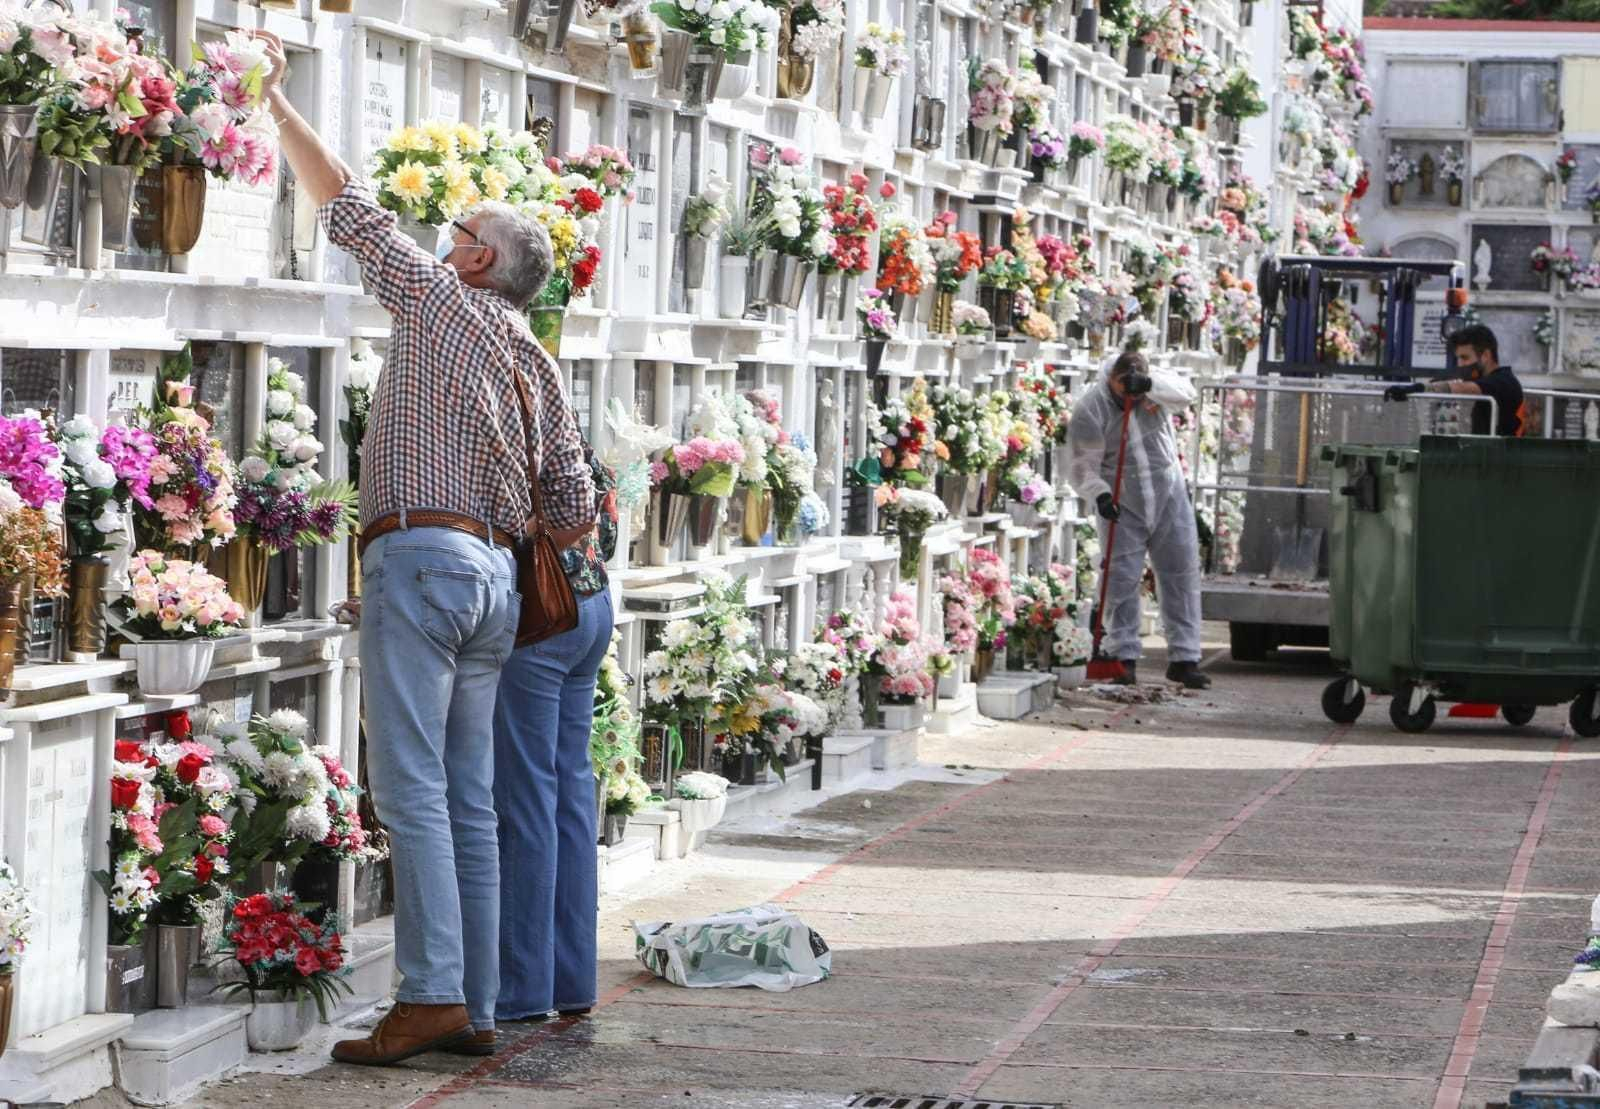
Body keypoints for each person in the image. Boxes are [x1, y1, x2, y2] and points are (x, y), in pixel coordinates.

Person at [256, 33, 595, 1066]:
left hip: (428, 561)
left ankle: (431, 993)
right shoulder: (537, 357)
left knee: (408, 790)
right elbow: (574, 507)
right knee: (468, 800)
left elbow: (349, 205)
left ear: (479, 260)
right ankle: (476, 1004)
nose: (442, 244)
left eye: (454, 234)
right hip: (496, 584)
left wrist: (276, 102)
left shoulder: (444, 302)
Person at [489, 445, 617, 1040]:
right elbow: (603, 524)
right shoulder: (569, 431)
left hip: (541, 612)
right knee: (570, 794)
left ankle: (520, 987)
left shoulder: (510, 431)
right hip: (592, 603)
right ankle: (572, 979)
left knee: (525, 797)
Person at [1066, 351, 1211, 690]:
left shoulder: (1152, 387)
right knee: (1121, 576)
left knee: (1180, 571)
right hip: (1122, 498)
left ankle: (1185, 658)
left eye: (1136, 387)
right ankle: (1122, 656)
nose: (1130, 396)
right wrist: (1100, 494)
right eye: (1124, 388)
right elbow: (1081, 463)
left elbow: (1186, 394)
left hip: (1168, 492)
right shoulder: (1092, 406)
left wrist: (1149, 385)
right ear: (1112, 380)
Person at [1384, 323, 1525, 436]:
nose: (1461, 364)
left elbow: (1464, 388)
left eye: (1465, 358)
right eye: (1459, 358)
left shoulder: (1503, 381)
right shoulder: (1491, 380)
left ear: (1485, 356)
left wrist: (1420, 388)